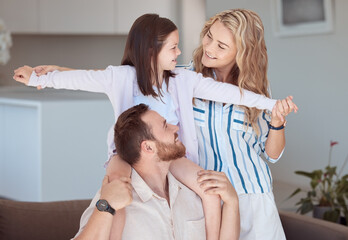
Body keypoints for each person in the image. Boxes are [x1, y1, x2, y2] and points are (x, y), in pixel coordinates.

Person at [13, 13, 286, 239]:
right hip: (126, 153)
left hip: (174, 155)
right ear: (153, 51)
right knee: (118, 189)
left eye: (178, 47)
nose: (181, 52)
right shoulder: (124, 77)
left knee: (208, 191)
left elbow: (229, 93)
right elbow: (85, 78)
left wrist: (270, 103)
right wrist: (39, 78)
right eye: (174, 47)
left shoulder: (181, 79)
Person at [190, 9, 297, 239]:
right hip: (204, 198)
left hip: (252, 198)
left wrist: (277, 122)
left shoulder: (257, 89)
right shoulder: (185, 79)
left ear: (242, 52)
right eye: (209, 36)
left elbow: (271, 155)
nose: (208, 48)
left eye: (221, 46)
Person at [74, 104, 240, 240]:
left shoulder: (194, 192)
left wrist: (232, 201)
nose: (175, 128)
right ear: (148, 147)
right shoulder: (113, 199)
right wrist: (106, 205)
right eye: (165, 126)